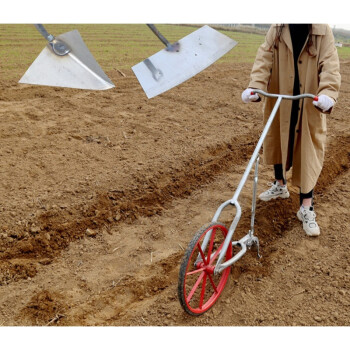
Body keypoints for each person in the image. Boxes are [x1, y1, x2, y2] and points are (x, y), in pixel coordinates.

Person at [242, 24, 341, 237]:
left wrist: (328, 93)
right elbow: (264, 57)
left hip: (309, 102)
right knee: (279, 138)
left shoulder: (322, 31)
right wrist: (255, 86)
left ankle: (306, 207)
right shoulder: (277, 28)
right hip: (281, 95)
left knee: (307, 151)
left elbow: (330, 65)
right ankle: (280, 185)